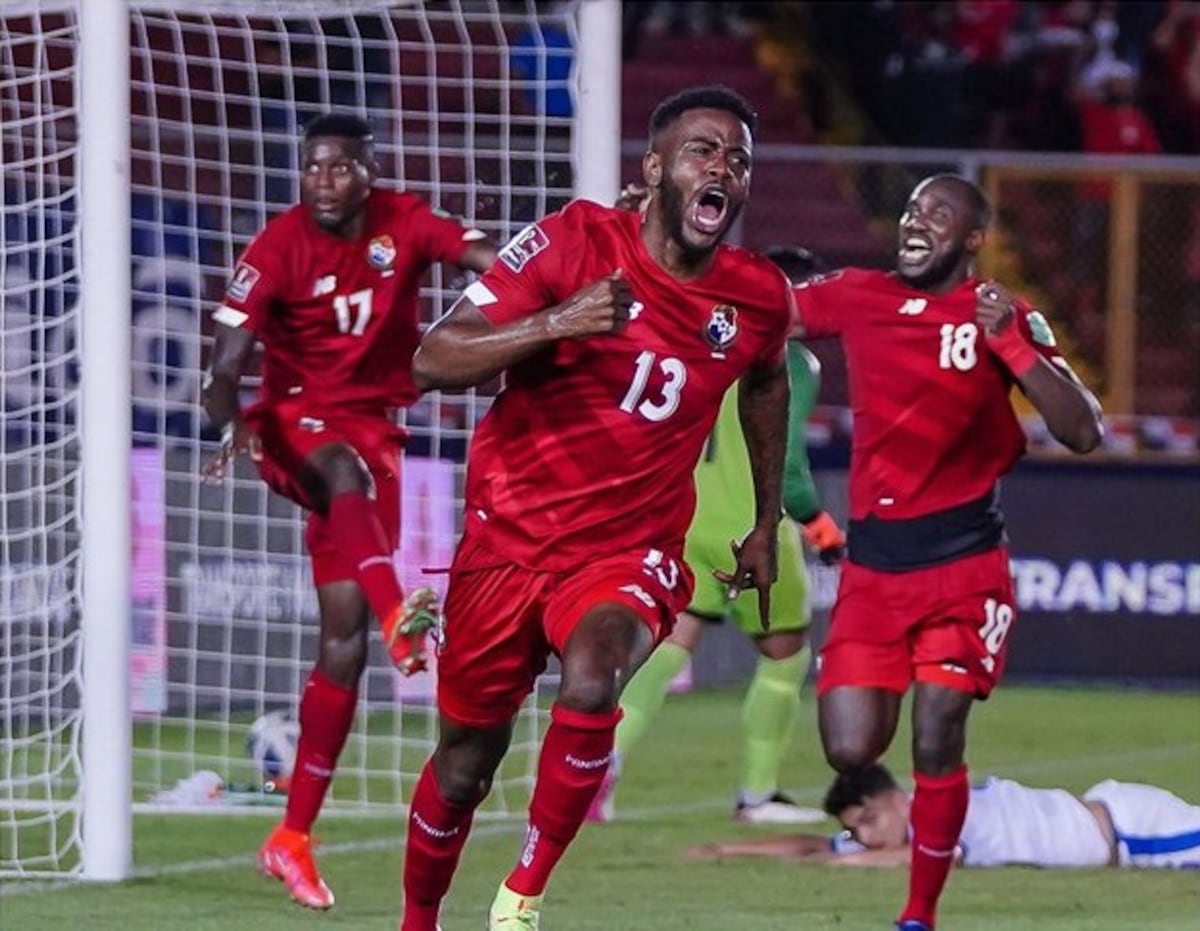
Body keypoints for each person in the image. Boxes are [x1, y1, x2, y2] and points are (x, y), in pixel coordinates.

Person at [397, 85, 794, 931]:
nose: (723, 166)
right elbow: (433, 358)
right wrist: (555, 322)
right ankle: (417, 920)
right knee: (465, 763)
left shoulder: (757, 296)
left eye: (738, 157)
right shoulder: (573, 240)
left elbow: (766, 380)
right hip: (507, 545)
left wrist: (767, 520)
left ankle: (522, 895)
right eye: (702, 150)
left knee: (592, 674)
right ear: (654, 169)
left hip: (629, 550)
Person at [792, 174, 1104, 931]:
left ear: (971, 239)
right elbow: (773, 307)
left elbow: (1082, 427)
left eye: (936, 213)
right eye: (908, 209)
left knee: (938, 729)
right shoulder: (859, 294)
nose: (914, 221)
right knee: (849, 745)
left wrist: (1010, 347)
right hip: (873, 567)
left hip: (964, 567)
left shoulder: (1000, 314)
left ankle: (919, 914)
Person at [200, 112, 495, 911]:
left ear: (368, 171)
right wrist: (231, 425)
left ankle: (290, 835)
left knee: (341, 641)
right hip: (290, 427)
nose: (324, 181)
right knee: (341, 471)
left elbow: (479, 255)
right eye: (313, 168)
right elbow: (222, 368)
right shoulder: (274, 248)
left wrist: (535, 283)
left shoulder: (405, 219)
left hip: (379, 436)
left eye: (339, 168)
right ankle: (402, 609)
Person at [588, 245, 844, 827]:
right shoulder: (793, 361)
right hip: (752, 526)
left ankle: (603, 764)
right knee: (785, 653)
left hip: (687, 520)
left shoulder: (707, 340)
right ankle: (757, 795)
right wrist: (821, 526)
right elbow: (793, 468)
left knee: (672, 645)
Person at [686, 762, 1200, 871]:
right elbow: (817, 845)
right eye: (856, 828)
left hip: (1136, 830)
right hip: (1114, 828)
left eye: (866, 820)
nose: (863, 837)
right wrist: (727, 850)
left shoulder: (940, 809)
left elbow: (938, 859)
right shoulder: (904, 826)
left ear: (894, 798)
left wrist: (850, 866)